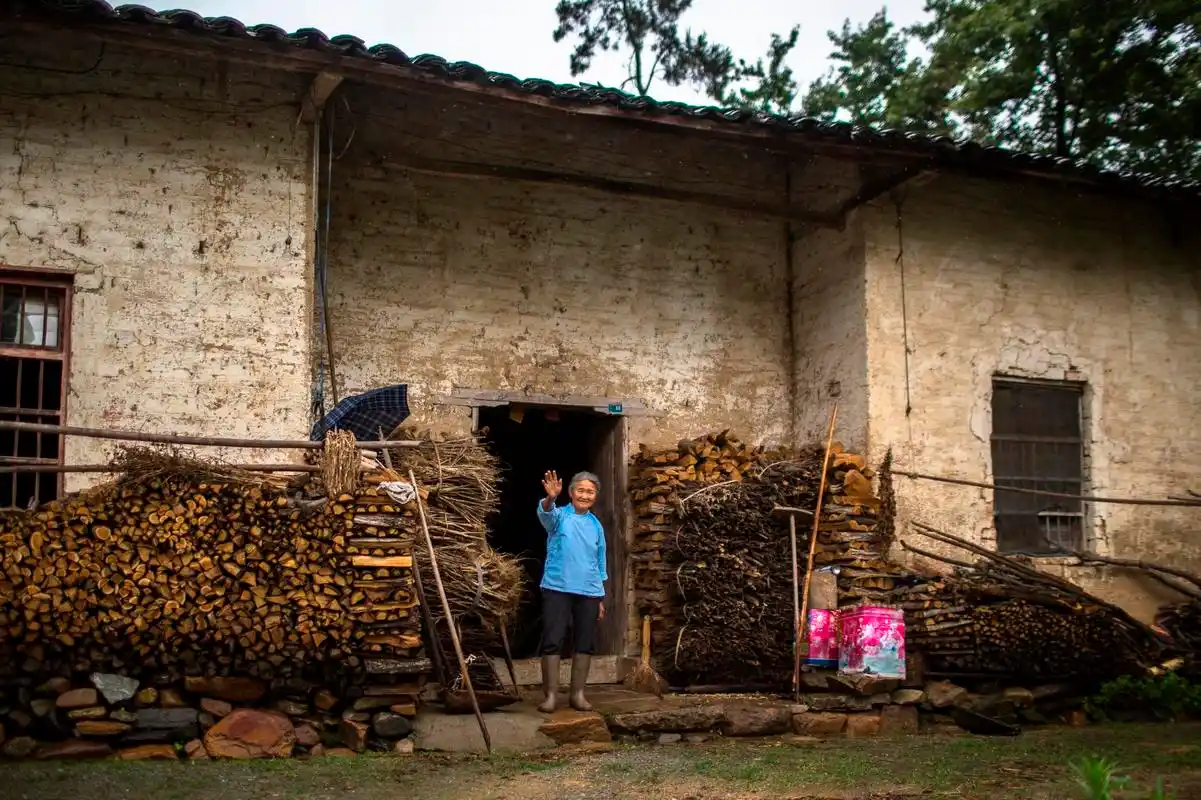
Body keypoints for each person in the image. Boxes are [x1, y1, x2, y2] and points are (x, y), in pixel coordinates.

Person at [535, 469, 607, 713]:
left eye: (590, 492)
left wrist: (600, 597)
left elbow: (600, 562)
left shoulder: (596, 526)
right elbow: (545, 514)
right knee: (553, 639)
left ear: (595, 495)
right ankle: (551, 696)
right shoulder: (559, 516)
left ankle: (577, 694)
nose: (585, 495)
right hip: (557, 587)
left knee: (585, 641)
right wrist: (550, 498)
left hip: (588, 591)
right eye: (581, 490)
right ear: (571, 492)